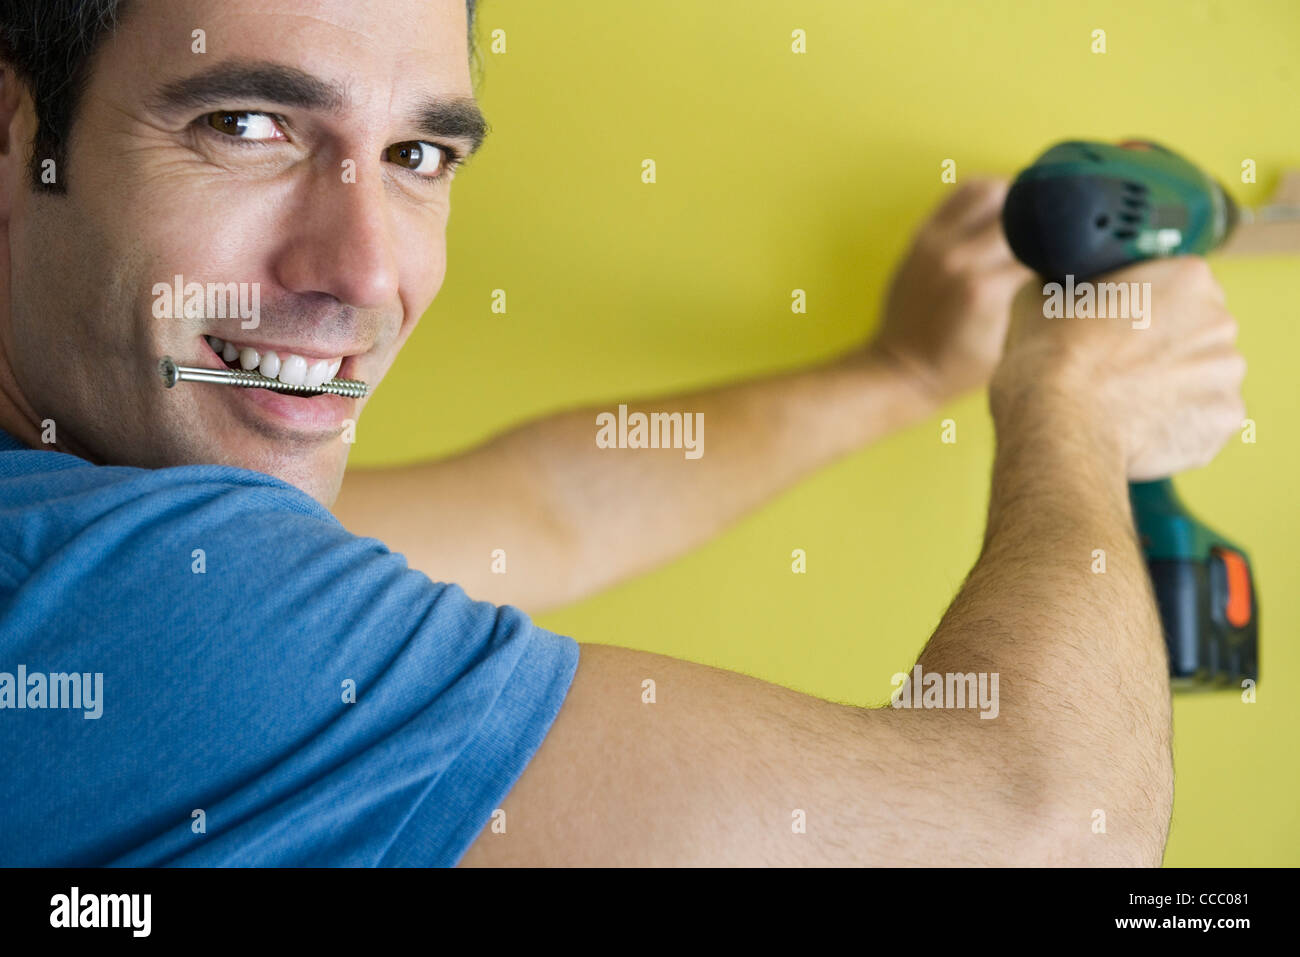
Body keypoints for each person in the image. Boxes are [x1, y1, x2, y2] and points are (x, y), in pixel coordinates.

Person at [0, 0, 1244, 866]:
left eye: (418, 153)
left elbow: (545, 509)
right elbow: (1039, 838)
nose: (364, 270)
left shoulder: (91, 522)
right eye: (248, 126)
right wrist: (1076, 412)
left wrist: (901, 371)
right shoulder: (130, 605)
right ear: (15, 135)